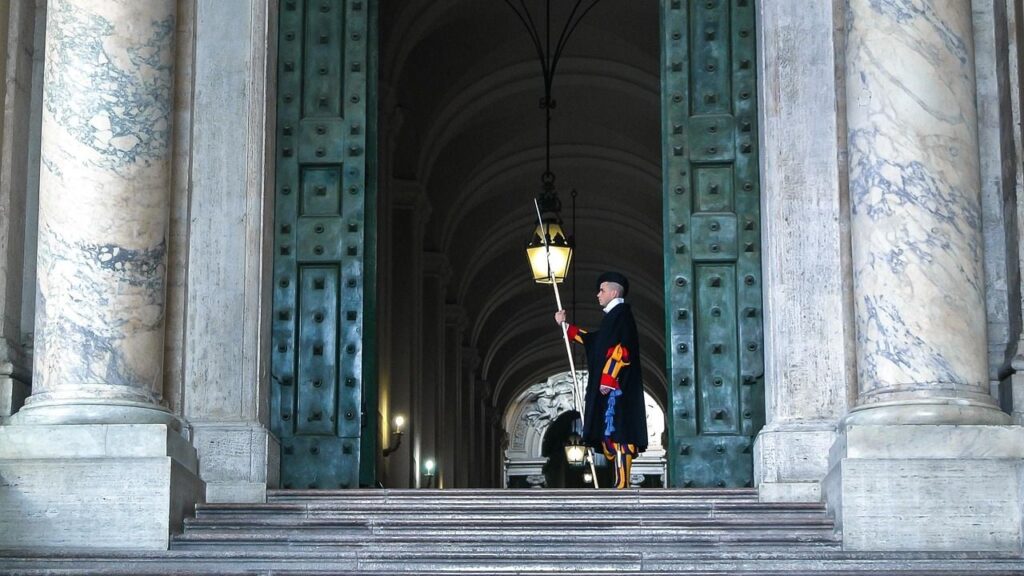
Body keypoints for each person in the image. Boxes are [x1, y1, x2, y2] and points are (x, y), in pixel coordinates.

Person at [554, 272, 647, 489]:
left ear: (614, 292)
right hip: (610, 389)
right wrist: (565, 327)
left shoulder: (622, 315)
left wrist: (608, 378)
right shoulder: (612, 318)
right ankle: (620, 480)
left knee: (621, 434)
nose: (598, 295)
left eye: (602, 290)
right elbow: (594, 341)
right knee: (611, 434)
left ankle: (622, 482)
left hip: (617, 389)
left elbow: (622, 350)